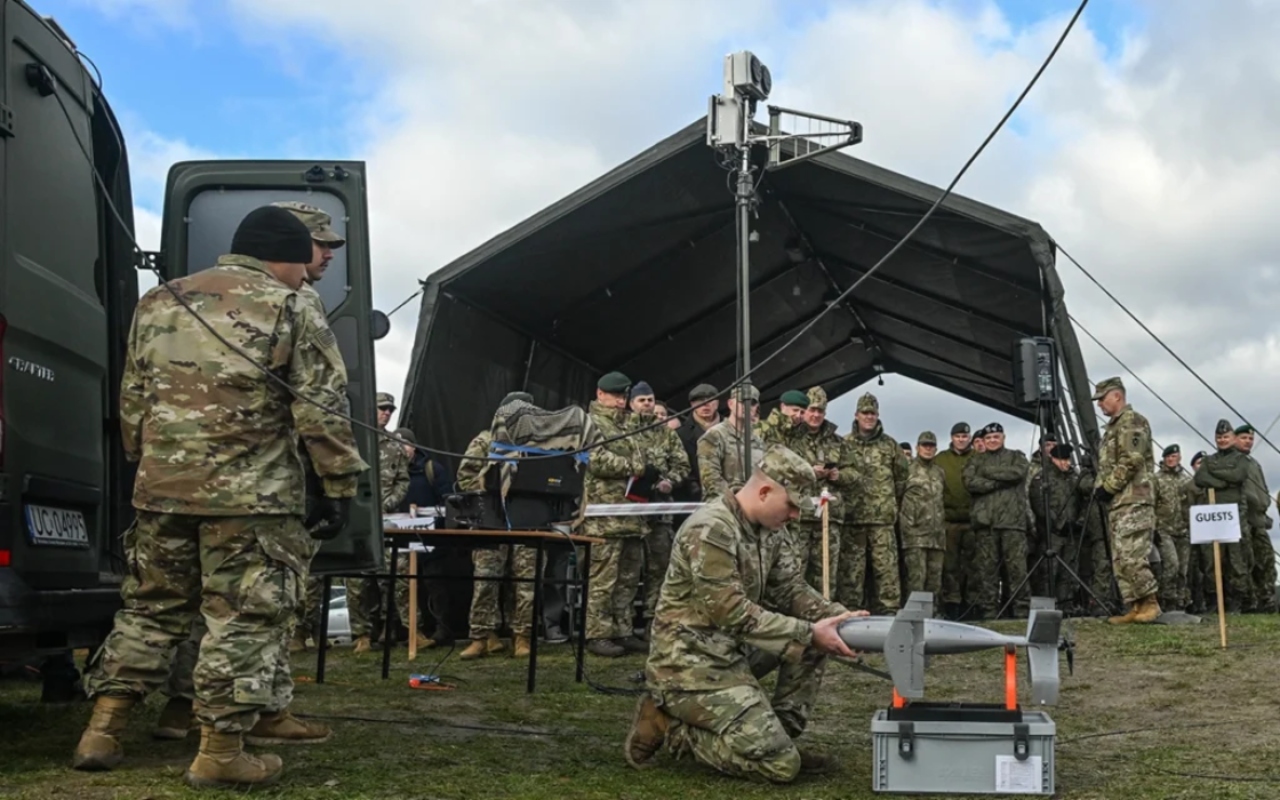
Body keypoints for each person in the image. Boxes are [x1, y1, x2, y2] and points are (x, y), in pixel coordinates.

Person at [73, 206, 367, 788]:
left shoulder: (160, 300)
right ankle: (221, 751)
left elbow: (133, 399)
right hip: (251, 500)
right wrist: (337, 485)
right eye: (306, 261)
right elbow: (321, 407)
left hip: (162, 492)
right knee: (243, 618)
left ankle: (102, 731)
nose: (310, 272)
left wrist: (151, 464)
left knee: (150, 608)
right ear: (285, 257)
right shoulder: (289, 306)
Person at [624, 445, 868, 783]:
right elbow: (731, 612)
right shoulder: (711, 529)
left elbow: (790, 590)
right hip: (689, 664)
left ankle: (777, 737)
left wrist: (841, 619)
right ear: (765, 491)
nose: (795, 515)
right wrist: (810, 632)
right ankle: (674, 725)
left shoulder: (770, 530)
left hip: (731, 650)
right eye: (791, 506)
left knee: (812, 642)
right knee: (781, 767)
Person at [1092, 377, 1160, 624]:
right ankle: (1135, 604)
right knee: (1120, 556)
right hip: (1119, 501)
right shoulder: (1112, 428)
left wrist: (1109, 487)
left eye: (1102, 399)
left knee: (1133, 553)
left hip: (1135, 498)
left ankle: (1150, 602)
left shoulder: (1133, 422)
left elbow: (1132, 459)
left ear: (1117, 396)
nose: (1099, 404)